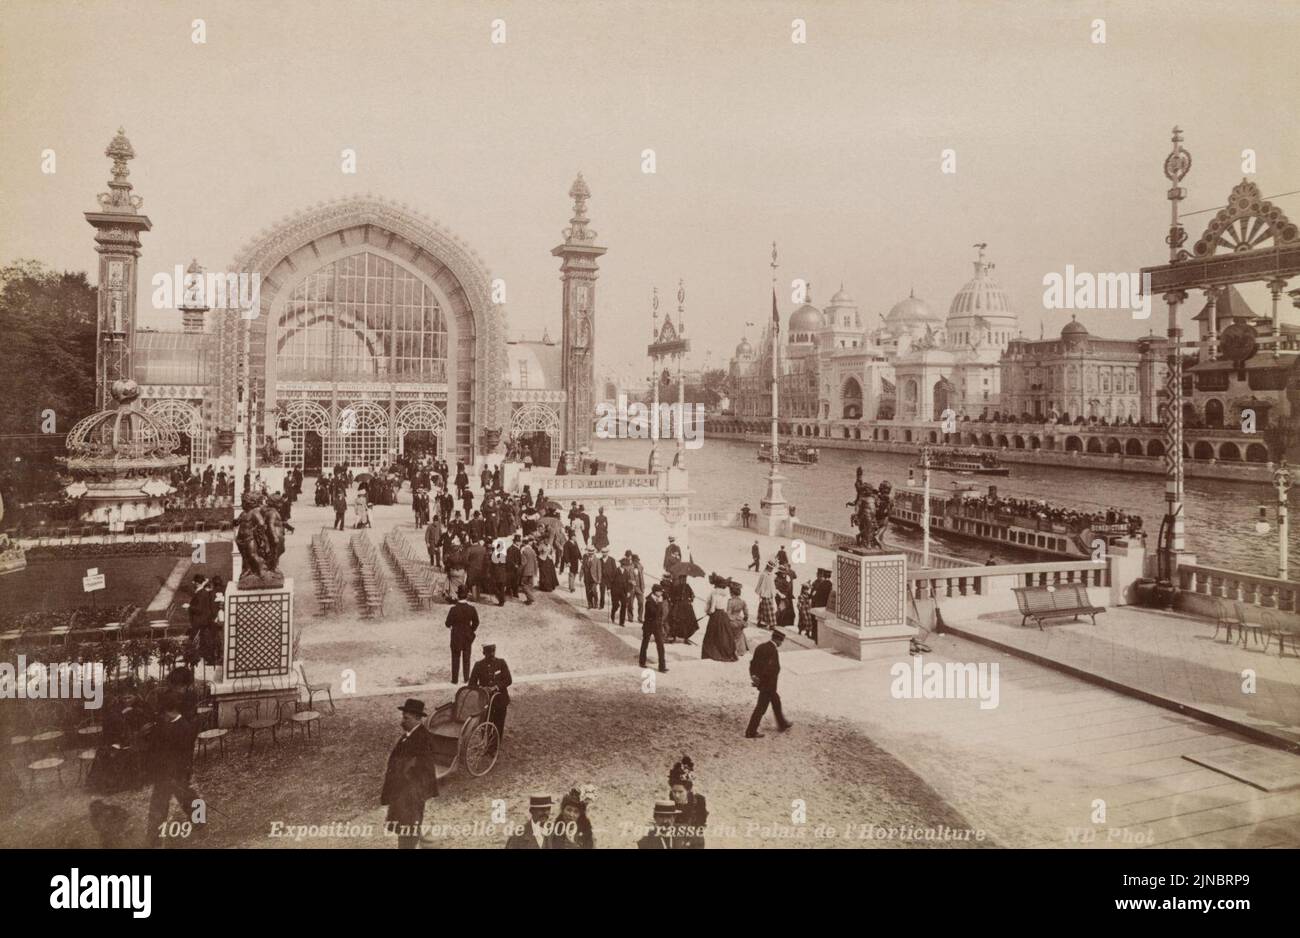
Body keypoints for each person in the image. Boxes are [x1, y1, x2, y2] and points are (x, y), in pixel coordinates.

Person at [145, 691, 202, 848]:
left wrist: (181, 772)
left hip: (177, 773)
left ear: (167, 712)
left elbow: (186, 754)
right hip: (163, 773)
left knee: (187, 798)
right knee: (158, 805)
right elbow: (155, 748)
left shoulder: (185, 728)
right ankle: (153, 840)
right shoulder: (163, 725)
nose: (160, 716)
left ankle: (200, 820)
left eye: (161, 713)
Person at [381, 699, 439, 848]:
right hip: (403, 794)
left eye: (406, 718)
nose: (402, 721)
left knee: (408, 830)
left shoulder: (422, 739)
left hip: (411, 795)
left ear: (417, 719)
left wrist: (411, 790)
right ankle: (423, 842)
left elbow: (424, 771)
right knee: (405, 829)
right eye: (403, 717)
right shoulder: (408, 736)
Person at [745, 629, 792, 739]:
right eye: (782, 641)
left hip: (764, 684)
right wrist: (763, 683)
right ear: (779, 640)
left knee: (776, 701)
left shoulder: (761, 647)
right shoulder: (772, 651)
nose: (781, 644)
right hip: (768, 686)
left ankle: (782, 723)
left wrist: (754, 676)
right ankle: (750, 731)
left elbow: (753, 664)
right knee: (761, 708)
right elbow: (770, 670)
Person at [467, 643, 512, 746]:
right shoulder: (478, 665)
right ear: (483, 653)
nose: (491, 654)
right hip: (485, 700)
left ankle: (495, 747)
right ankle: (485, 743)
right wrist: (482, 688)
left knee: (499, 723)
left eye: (493, 651)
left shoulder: (501, 663)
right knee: (485, 723)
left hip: (500, 699)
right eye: (488, 652)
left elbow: (508, 680)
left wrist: (496, 687)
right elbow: (471, 684)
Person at [668, 755, 707, 849]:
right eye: (674, 791)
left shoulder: (698, 801)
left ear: (688, 791)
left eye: (680, 792)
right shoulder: (671, 800)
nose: (676, 795)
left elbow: (701, 825)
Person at [700, 574, 738, 661]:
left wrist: (708, 612)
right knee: (724, 635)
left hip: (716, 616)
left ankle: (711, 653)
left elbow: (712, 608)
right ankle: (725, 653)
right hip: (723, 615)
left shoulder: (714, 593)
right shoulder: (726, 594)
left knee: (711, 635)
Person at [640, 583, 669, 672]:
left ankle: (662, 666)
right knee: (645, 644)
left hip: (657, 626)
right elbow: (654, 613)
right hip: (649, 625)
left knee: (660, 645)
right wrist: (660, 603)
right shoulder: (649, 601)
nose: (661, 594)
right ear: (655, 592)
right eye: (660, 592)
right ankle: (642, 662)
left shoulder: (658, 598)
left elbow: (660, 614)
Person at [667, 575, 698, 644]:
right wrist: (677, 599)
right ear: (679, 580)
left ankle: (686, 638)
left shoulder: (687, 587)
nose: (683, 581)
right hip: (678, 606)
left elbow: (692, 595)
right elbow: (672, 596)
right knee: (675, 621)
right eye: (682, 579)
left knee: (687, 622)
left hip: (686, 607)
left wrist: (690, 599)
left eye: (684, 579)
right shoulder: (676, 587)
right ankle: (673, 637)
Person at [727, 581, 750, 656]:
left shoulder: (730, 601)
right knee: (739, 635)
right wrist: (743, 620)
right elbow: (746, 614)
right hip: (740, 620)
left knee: (731, 636)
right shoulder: (742, 602)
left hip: (732, 620)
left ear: (732, 593)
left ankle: (732, 651)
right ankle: (741, 651)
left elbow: (728, 613)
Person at [755, 561, 777, 630]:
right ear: (768, 567)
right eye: (770, 567)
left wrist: (773, 593)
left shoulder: (770, 575)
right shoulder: (764, 575)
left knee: (763, 608)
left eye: (772, 568)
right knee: (769, 609)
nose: (772, 569)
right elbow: (761, 584)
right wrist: (761, 593)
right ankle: (772, 624)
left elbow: (772, 585)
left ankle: (761, 622)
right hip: (764, 594)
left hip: (769, 594)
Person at [519, 538, 538, 605]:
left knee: (524, 585)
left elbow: (523, 562)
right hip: (532, 571)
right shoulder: (532, 550)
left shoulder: (523, 550)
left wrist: (519, 570)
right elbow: (535, 562)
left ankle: (531, 598)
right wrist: (535, 571)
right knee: (530, 586)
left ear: (523, 543)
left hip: (525, 571)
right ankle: (529, 600)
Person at [629, 554, 645, 623]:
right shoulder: (628, 567)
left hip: (639, 588)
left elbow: (642, 578)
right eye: (635, 561)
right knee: (630, 603)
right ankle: (630, 617)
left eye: (637, 561)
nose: (637, 562)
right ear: (632, 561)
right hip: (631, 588)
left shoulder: (640, 567)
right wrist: (630, 581)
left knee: (641, 602)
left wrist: (643, 587)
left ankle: (640, 617)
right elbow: (625, 578)